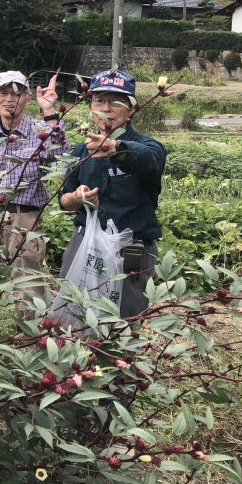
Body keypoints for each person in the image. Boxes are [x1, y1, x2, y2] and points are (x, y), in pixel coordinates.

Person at [58, 69, 165, 317]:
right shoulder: (80, 152)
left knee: (123, 323)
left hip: (130, 250)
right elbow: (64, 200)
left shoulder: (148, 146)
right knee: (74, 316)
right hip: (84, 244)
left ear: (131, 108)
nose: (106, 108)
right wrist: (76, 198)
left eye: (116, 101)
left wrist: (114, 148)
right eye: (99, 100)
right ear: (91, 105)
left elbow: (151, 160)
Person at [0, 71, 69, 314]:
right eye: (3, 93)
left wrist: (49, 111)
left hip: (25, 219)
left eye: (17, 93)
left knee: (28, 291)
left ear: (27, 98)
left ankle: (32, 342)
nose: (9, 99)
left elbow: (61, 152)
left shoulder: (40, 131)